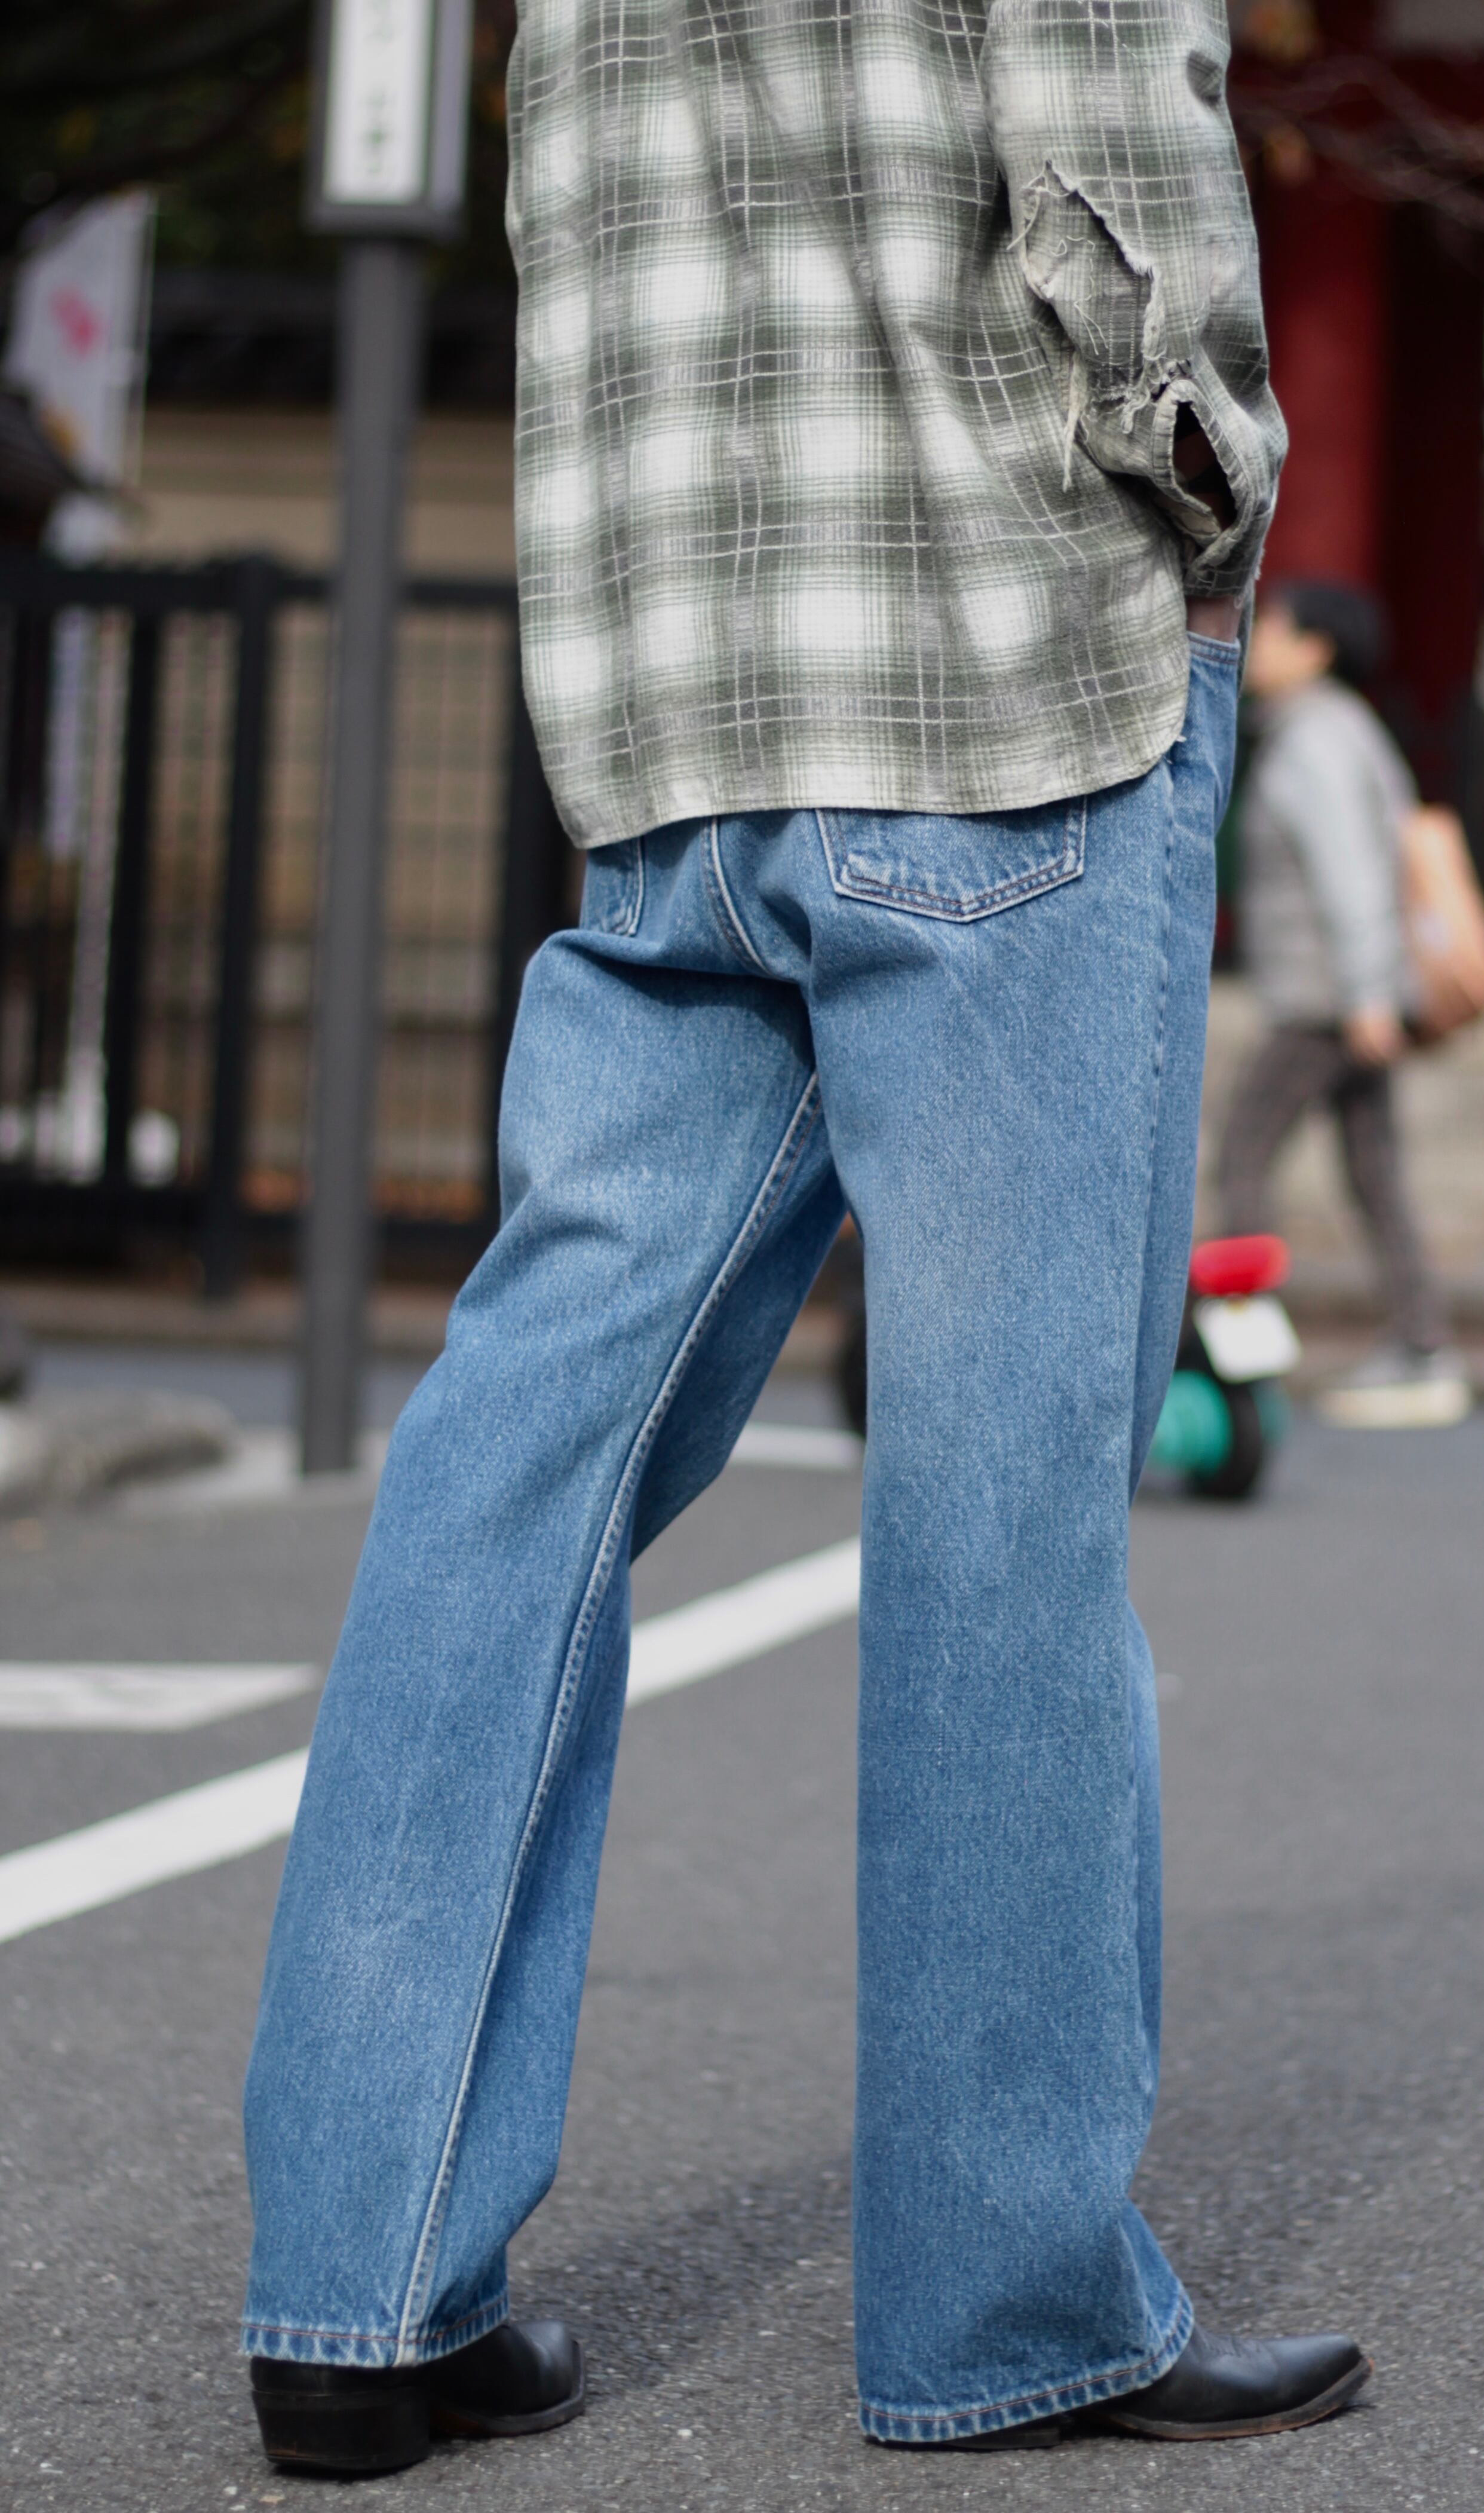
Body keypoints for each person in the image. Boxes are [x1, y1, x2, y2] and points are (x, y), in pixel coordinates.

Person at [238, 0, 1372, 2472]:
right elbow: (1111, 144)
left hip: (675, 717)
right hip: (997, 697)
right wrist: (1213, 495)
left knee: (517, 1456)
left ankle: (355, 2281)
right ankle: (1004, 2298)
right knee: (1001, 1492)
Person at [1219, 582, 1472, 1429]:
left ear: (1316, 649)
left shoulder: (1314, 743)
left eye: (1275, 629)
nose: (1256, 642)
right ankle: (1423, 1348)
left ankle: (1241, 1356)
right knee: (1374, 1174)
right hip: (1344, 996)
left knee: (1242, 1160)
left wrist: (1366, 996)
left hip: (1321, 1001)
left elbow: (1351, 876)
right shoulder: (1341, 729)